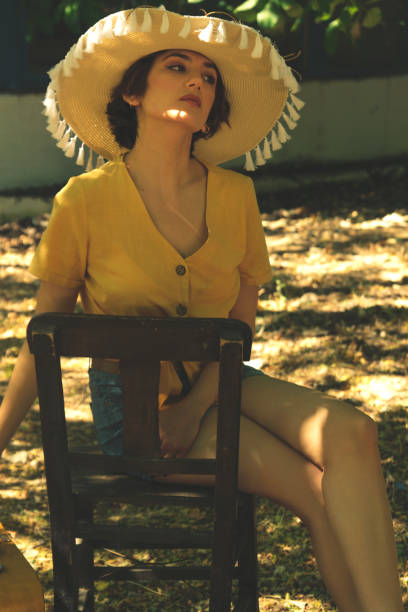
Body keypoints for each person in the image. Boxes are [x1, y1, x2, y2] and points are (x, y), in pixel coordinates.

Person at [0, 7, 403, 610]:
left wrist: (194, 405)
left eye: (210, 76)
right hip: (135, 418)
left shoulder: (238, 194)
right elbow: (43, 338)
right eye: (177, 66)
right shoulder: (83, 201)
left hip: (218, 385)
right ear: (133, 92)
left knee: (354, 432)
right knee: (315, 492)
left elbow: (241, 323)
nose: (197, 80)